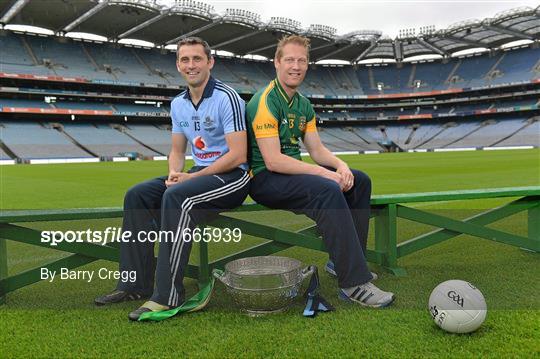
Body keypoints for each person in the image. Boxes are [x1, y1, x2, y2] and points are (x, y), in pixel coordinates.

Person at [95, 37, 250, 320]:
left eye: (197, 59)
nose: (191, 65)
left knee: (177, 197)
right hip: (197, 173)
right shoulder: (178, 103)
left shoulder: (227, 98)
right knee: (138, 195)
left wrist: (191, 178)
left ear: (210, 62)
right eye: (185, 60)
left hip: (233, 177)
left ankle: (167, 296)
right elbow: (177, 150)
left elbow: (239, 155)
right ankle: (134, 284)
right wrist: (174, 173)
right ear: (178, 65)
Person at [246, 35, 395, 308]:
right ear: (277, 63)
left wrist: (341, 166)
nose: (296, 66)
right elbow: (273, 161)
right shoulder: (265, 101)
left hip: (291, 174)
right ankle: (354, 284)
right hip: (264, 180)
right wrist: (325, 174)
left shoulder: (303, 104)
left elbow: (316, 149)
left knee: (359, 181)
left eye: (301, 61)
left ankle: (344, 264)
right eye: (289, 60)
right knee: (327, 188)